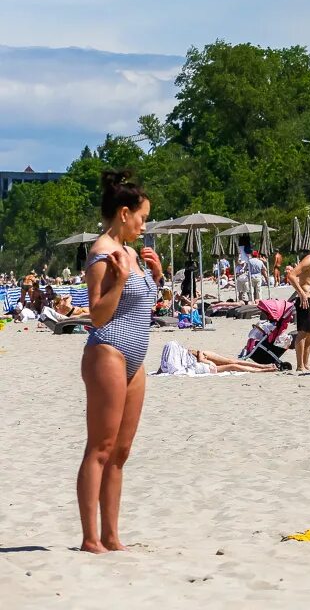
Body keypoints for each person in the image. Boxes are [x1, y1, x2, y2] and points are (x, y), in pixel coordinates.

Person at [77, 170, 162, 554]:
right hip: (107, 351)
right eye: (142, 218)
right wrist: (120, 279)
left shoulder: (129, 253)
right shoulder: (101, 253)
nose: (144, 226)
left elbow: (144, 305)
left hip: (135, 358)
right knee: (100, 446)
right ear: (124, 213)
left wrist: (156, 276)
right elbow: (97, 314)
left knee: (122, 451)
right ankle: (90, 538)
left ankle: (112, 535)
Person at [189, 349, 279, 374]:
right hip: (206, 359)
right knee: (233, 363)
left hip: (206, 356)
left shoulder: (198, 353)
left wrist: (205, 361)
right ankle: (264, 367)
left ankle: (263, 366)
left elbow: (199, 355)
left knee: (232, 362)